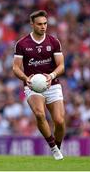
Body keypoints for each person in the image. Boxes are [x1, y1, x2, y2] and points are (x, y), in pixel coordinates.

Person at [13, 10, 65, 160]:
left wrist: (51, 75)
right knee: (40, 114)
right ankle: (53, 148)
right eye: (40, 24)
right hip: (32, 85)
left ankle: (58, 146)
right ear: (32, 24)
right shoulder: (22, 44)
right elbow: (15, 67)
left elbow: (61, 65)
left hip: (52, 83)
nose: (43, 27)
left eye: (45, 23)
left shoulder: (53, 42)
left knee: (60, 122)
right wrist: (25, 78)